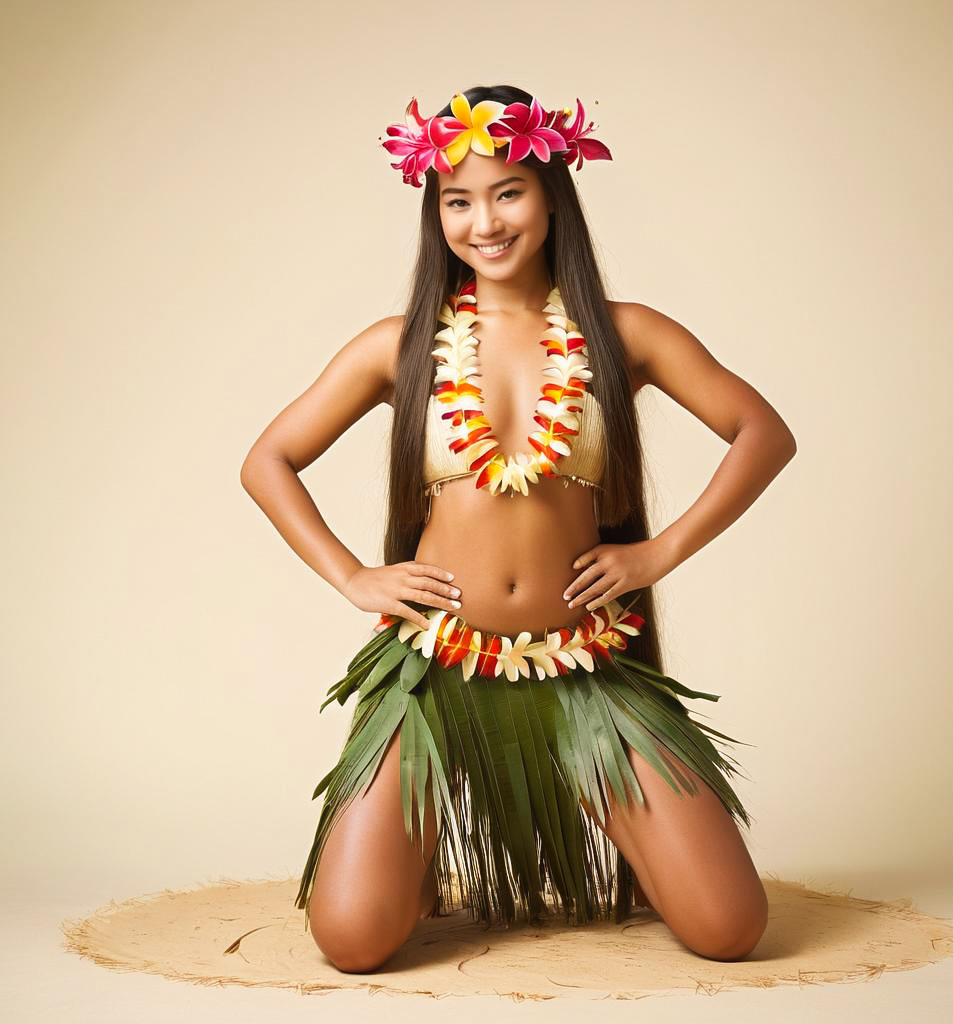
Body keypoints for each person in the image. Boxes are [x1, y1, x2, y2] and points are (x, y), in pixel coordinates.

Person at [240, 84, 796, 975]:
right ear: (437, 213)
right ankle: (410, 858)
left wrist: (661, 551)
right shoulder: (403, 344)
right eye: (457, 200)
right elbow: (267, 460)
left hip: (584, 658)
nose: (483, 221)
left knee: (731, 931)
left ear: (552, 196)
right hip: (436, 666)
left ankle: (641, 844)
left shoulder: (624, 334)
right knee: (351, 940)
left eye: (508, 192)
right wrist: (352, 576)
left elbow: (763, 432)